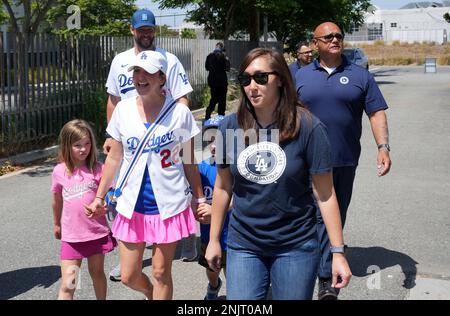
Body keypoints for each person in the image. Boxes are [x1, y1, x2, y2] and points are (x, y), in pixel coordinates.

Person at [205, 48, 352, 300]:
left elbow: (325, 195)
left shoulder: (308, 127)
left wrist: (337, 252)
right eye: (245, 79)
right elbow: (222, 186)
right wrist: (214, 239)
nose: (252, 86)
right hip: (244, 244)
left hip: (296, 246)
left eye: (261, 78)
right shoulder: (230, 126)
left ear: (281, 79)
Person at [85, 50, 205, 300]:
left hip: (168, 205)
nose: (140, 77)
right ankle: (151, 294)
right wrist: (100, 195)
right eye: (136, 72)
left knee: (161, 272)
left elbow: (190, 160)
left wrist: (199, 198)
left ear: (162, 77)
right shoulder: (124, 110)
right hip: (132, 205)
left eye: (147, 72)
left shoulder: (180, 113)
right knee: (128, 275)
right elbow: (115, 157)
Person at [295, 22, 392, 300]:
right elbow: (285, 114)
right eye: (328, 37)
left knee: (336, 214)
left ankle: (325, 266)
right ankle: (324, 273)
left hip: (343, 158)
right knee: (310, 214)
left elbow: (376, 113)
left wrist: (383, 146)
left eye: (339, 35)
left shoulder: (360, 75)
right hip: (305, 159)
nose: (335, 39)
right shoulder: (300, 76)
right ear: (315, 44)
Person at [104, 9, 197, 281]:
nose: (146, 33)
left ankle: (184, 233)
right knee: (129, 193)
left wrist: (173, 129)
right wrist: (112, 135)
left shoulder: (169, 60)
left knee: (169, 186)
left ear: (155, 30)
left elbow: (182, 98)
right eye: (140, 29)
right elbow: (113, 98)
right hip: (130, 135)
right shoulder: (120, 61)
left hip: (162, 133)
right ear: (132, 30)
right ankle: (129, 259)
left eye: (150, 28)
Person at [51, 119, 116, 300]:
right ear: (66, 145)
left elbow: (112, 196)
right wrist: (56, 224)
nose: (83, 149)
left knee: (97, 273)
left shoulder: (98, 169)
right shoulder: (59, 171)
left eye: (87, 143)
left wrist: (107, 206)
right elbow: (56, 200)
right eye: (77, 145)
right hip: (72, 238)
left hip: (95, 234)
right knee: (69, 282)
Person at [196, 115, 231, 300]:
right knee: (212, 268)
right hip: (209, 233)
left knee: (231, 271)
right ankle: (214, 285)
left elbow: (242, 197)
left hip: (233, 232)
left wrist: (216, 210)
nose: (214, 144)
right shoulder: (202, 167)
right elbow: (194, 194)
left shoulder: (236, 167)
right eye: (210, 140)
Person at [204, 42, 230, 120]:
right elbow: (227, 68)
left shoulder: (209, 56)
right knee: (222, 100)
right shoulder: (225, 57)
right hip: (222, 82)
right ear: (222, 48)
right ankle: (221, 116)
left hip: (213, 81)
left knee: (214, 98)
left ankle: (208, 112)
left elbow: (207, 68)